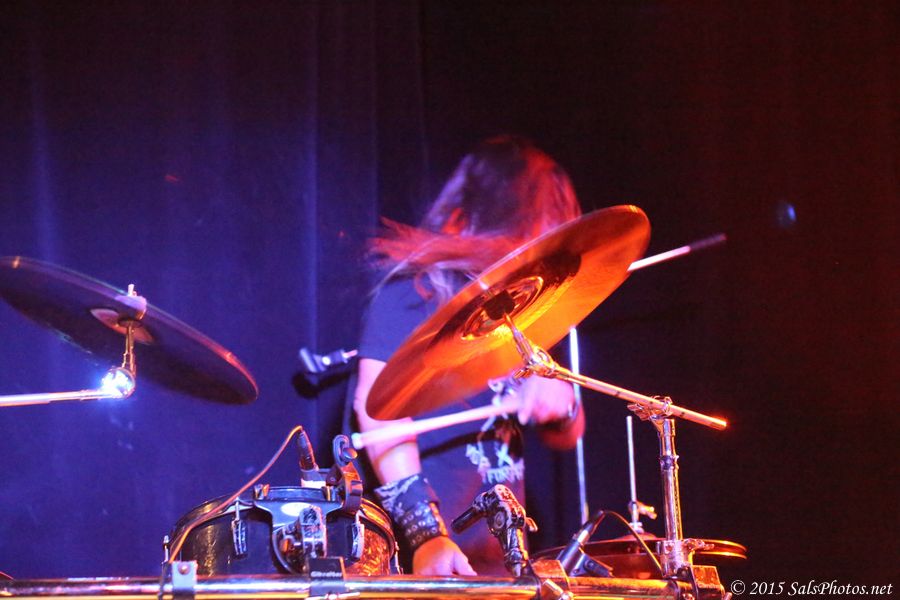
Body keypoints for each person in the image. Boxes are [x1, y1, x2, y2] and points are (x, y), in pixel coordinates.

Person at [351, 135, 585, 576]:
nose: (549, 237)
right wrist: (427, 536)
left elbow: (568, 434)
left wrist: (562, 400)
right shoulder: (417, 291)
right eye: (542, 221)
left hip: (500, 558)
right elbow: (377, 413)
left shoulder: (522, 305)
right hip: (424, 559)